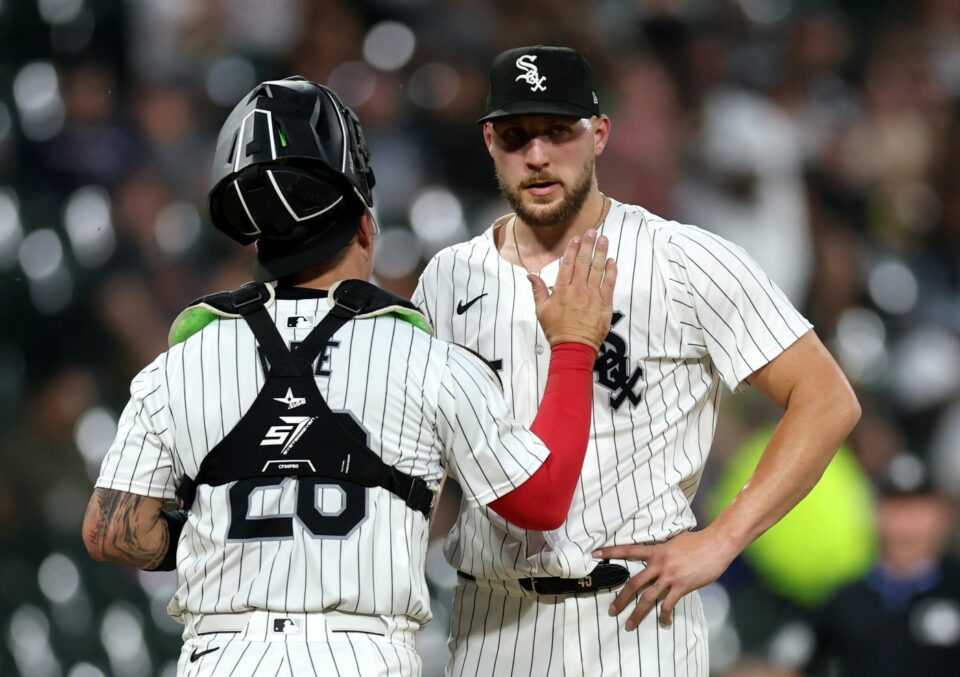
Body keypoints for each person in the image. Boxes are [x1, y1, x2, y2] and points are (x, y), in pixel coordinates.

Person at [81, 76, 618, 676]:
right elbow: (541, 501)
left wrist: (237, 537)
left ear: (255, 241)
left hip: (221, 655)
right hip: (359, 653)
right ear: (365, 227)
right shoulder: (426, 362)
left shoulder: (179, 365)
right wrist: (573, 346)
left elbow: (112, 532)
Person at [411, 46, 861, 676]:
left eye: (558, 133)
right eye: (517, 136)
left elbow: (826, 397)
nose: (537, 156)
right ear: (490, 140)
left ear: (599, 134)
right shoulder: (447, 278)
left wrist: (722, 540)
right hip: (490, 619)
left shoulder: (682, 259)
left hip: (633, 618)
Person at [807, 454, 960, 676]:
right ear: (875, 514)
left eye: (917, 510)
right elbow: (786, 664)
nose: (906, 525)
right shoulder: (845, 599)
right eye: (896, 509)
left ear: (942, 515)